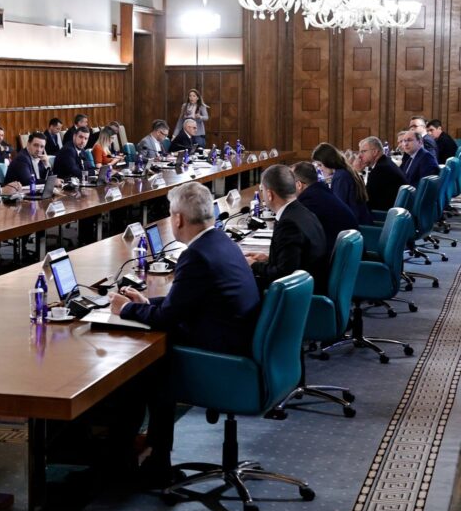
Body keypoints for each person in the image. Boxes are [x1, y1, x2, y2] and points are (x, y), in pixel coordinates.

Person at [109, 182, 260, 485]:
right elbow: (186, 302)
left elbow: (168, 318)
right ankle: (152, 452)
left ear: (177, 219)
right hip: (237, 341)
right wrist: (146, 303)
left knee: (141, 365)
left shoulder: (196, 255)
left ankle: (135, 459)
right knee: (153, 356)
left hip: (221, 358)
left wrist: (125, 310)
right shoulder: (220, 241)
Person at [246, 164, 328, 294]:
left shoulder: (289, 224)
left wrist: (253, 264)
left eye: (262, 190)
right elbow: (294, 259)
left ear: (269, 194)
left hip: (301, 296)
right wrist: (268, 259)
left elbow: (283, 275)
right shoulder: (304, 212)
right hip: (312, 284)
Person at [291, 161, 359, 257]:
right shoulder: (321, 192)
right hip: (351, 256)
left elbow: (299, 239)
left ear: (299, 185)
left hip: (337, 258)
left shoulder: (309, 202)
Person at [311, 142, 373, 224]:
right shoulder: (344, 171)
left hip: (355, 226)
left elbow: (337, 209)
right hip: (358, 221)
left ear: (328, 161)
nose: (320, 169)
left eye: (320, 165)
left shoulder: (341, 176)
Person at [357, 136, 407, 212]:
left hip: (383, 215)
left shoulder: (381, 169)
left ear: (375, 152)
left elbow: (365, 198)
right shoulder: (385, 163)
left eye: (363, 151)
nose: (360, 156)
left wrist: (358, 173)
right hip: (392, 211)